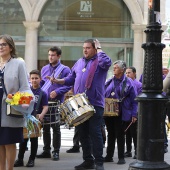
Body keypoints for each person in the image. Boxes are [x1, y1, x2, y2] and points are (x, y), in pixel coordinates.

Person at [49, 39, 112, 170]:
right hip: (80, 104)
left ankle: (99, 162)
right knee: (82, 133)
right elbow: (71, 78)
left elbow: (107, 62)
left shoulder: (100, 61)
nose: (85, 50)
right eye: (84, 47)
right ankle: (88, 160)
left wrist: (100, 49)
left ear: (95, 49)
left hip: (95, 103)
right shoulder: (79, 62)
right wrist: (58, 81)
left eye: (88, 48)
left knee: (95, 133)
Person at [0, 34, 34, 170]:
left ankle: (10, 169)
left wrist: (18, 99)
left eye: (3, 44)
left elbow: (25, 87)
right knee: (0, 143)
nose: (1, 47)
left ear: (10, 47)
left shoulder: (18, 63)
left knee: (9, 142)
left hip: (10, 106)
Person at [36, 46, 71, 161]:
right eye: (49, 55)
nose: (50, 57)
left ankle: (55, 151)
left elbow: (69, 85)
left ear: (59, 56)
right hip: (45, 102)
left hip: (56, 102)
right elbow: (42, 83)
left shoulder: (65, 69)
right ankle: (46, 150)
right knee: (45, 127)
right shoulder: (45, 68)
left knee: (56, 128)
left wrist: (57, 91)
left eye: (53, 55)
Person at [104, 60, 138, 164]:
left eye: (116, 67)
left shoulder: (128, 82)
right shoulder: (109, 81)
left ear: (122, 70)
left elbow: (134, 100)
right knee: (110, 134)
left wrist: (134, 114)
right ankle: (109, 156)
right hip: (109, 112)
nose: (114, 69)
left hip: (122, 112)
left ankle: (121, 157)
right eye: (113, 67)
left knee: (120, 134)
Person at [14, 69, 48, 167]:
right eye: (32, 78)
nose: (34, 80)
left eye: (36, 78)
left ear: (40, 79)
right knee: (23, 140)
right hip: (25, 119)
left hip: (35, 119)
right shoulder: (26, 91)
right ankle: (20, 159)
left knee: (34, 140)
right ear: (29, 79)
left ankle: (31, 159)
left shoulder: (43, 93)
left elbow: (45, 107)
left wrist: (41, 114)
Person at [125, 66, 142, 159]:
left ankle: (136, 151)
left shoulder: (138, 84)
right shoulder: (124, 83)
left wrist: (135, 113)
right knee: (127, 132)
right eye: (126, 73)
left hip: (134, 111)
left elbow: (138, 100)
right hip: (126, 111)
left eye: (129, 73)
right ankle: (128, 150)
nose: (127, 74)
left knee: (134, 133)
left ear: (134, 73)